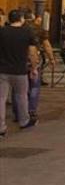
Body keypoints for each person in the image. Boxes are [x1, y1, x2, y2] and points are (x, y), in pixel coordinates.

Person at [0, 9, 40, 137]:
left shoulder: (2, 31)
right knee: (21, 96)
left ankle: (1, 127)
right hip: (20, 70)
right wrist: (34, 68)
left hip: (2, 70)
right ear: (21, 19)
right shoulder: (27, 32)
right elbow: (32, 52)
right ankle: (24, 121)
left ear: (8, 19)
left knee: (1, 98)